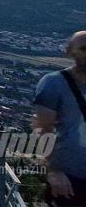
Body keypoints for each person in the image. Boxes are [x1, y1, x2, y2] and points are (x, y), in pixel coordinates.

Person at [32, 30, 86, 206]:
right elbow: (42, 129)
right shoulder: (54, 83)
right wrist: (53, 170)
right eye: (84, 49)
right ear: (69, 52)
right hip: (70, 180)